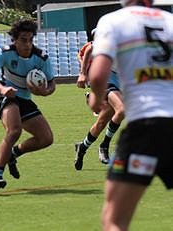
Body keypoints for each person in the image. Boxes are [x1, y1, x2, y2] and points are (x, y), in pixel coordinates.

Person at [88, 0, 173, 230]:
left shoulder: (113, 21)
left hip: (146, 129)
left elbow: (97, 76)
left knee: (114, 220)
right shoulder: (170, 21)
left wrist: (96, 98)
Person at [0, 19, 56, 192]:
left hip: (26, 100)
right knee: (14, 130)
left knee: (46, 139)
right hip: (8, 97)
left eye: (30, 39)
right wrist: (1, 88)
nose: (28, 44)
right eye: (23, 39)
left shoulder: (41, 57)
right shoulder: (5, 53)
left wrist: (44, 92)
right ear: (15, 39)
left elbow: (52, 84)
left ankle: (13, 154)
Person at [74, 29, 125, 170]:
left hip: (123, 81)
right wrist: (83, 73)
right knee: (121, 110)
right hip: (108, 77)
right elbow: (89, 49)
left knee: (103, 120)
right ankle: (104, 145)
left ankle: (82, 147)